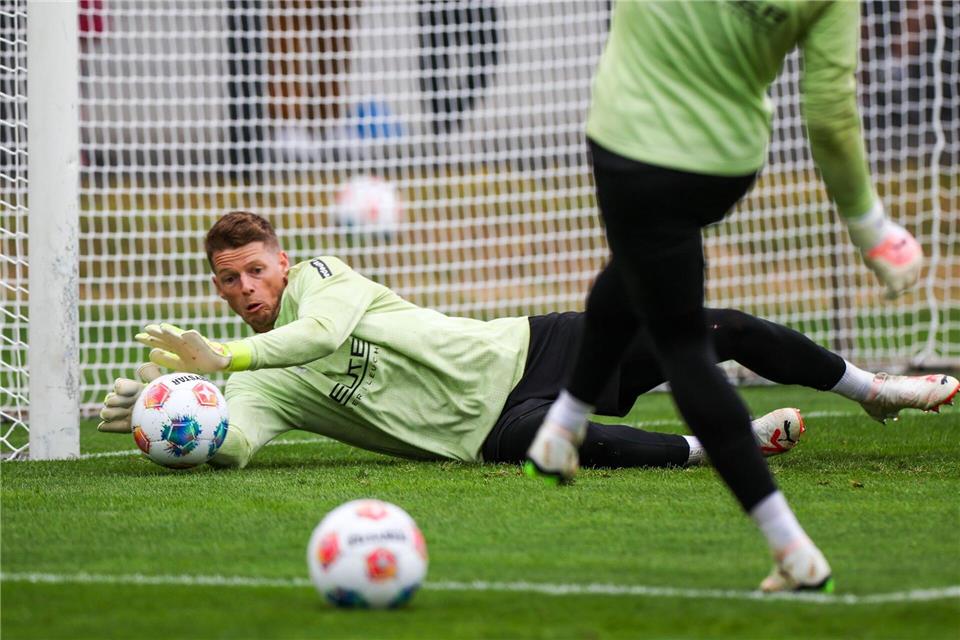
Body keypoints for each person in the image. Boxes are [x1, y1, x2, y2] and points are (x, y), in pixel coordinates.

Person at [524, 0, 929, 593]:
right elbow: (830, 114)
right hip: (724, 167)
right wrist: (873, 228)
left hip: (634, 147)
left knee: (681, 345)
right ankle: (560, 432)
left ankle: (793, 550)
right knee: (640, 265)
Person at [97, 212, 957, 477]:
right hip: (481, 432)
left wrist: (224, 360)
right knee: (561, 444)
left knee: (715, 326)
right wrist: (170, 416)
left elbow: (316, 336)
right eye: (229, 280)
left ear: (280, 263)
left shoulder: (323, 276)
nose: (245, 289)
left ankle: (873, 389)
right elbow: (237, 442)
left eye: (254, 270)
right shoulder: (255, 386)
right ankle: (718, 446)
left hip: (525, 349)